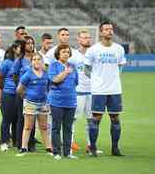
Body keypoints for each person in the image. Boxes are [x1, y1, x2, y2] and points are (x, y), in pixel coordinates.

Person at [84, 21, 126, 157]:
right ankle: (93, 148)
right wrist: (97, 80)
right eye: (106, 29)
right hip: (99, 90)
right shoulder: (93, 50)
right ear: (101, 32)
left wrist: (114, 78)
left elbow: (121, 65)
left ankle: (115, 148)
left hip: (115, 90)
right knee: (96, 119)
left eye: (111, 29)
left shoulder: (119, 48)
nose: (110, 31)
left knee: (115, 119)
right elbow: (86, 69)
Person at [69, 29, 103, 154]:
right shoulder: (73, 55)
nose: (87, 39)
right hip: (78, 92)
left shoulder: (95, 54)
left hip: (93, 92)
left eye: (88, 37)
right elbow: (68, 72)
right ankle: (70, 144)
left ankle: (91, 145)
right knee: (72, 119)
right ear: (78, 40)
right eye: (84, 37)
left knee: (92, 120)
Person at [16, 52, 53, 157]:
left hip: (43, 103)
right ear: (31, 62)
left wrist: (47, 98)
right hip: (30, 103)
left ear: (42, 62)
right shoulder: (28, 74)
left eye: (39, 59)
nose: (36, 61)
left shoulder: (46, 74)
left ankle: (49, 149)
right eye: (34, 59)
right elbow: (19, 89)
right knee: (28, 127)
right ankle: (24, 148)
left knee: (44, 127)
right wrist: (26, 97)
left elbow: (49, 86)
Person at [48, 43, 79, 160]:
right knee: (56, 127)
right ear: (58, 54)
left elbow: (76, 82)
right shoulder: (53, 66)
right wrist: (66, 72)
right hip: (57, 101)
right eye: (63, 52)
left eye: (67, 52)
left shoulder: (73, 66)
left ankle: (67, 152)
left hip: (71, 101)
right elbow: (55, 80)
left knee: (68, 128)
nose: (66, 54)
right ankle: (56, 152)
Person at [12, 36, 36, 151]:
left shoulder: (37, 58)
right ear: (23, 46)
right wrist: (20, 89)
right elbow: (15, 76)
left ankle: (31, 143)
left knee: (33, 118)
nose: (30, 45)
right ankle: (20, 143)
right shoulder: (19, 60)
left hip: (35, 93)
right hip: (23, 93)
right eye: (27, 43)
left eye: (32, 43)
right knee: (22, 118)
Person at [0, 40, 21, 151]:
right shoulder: (7, 62)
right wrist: (5, 89)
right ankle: (4, 141)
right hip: (9, 93)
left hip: (20, 94)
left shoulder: (23, 62)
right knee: (7, 118)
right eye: (20, 47)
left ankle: (16, 142)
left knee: (17, 119)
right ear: (15, 49)